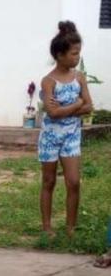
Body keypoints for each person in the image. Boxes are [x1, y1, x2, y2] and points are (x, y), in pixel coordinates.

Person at [39, 21, 93, 238]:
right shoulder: (48, 81)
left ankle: (71, 227)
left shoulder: (79, 77)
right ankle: (47, 227)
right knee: (49, 181)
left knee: (73, 182)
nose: (77, 57)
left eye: (78, 53)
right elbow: (53, 114)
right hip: (50, 138)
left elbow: (90, 107)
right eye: (73, 53)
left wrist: (66, 109)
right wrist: (77, 104)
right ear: (59, 55)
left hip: (71, 136)